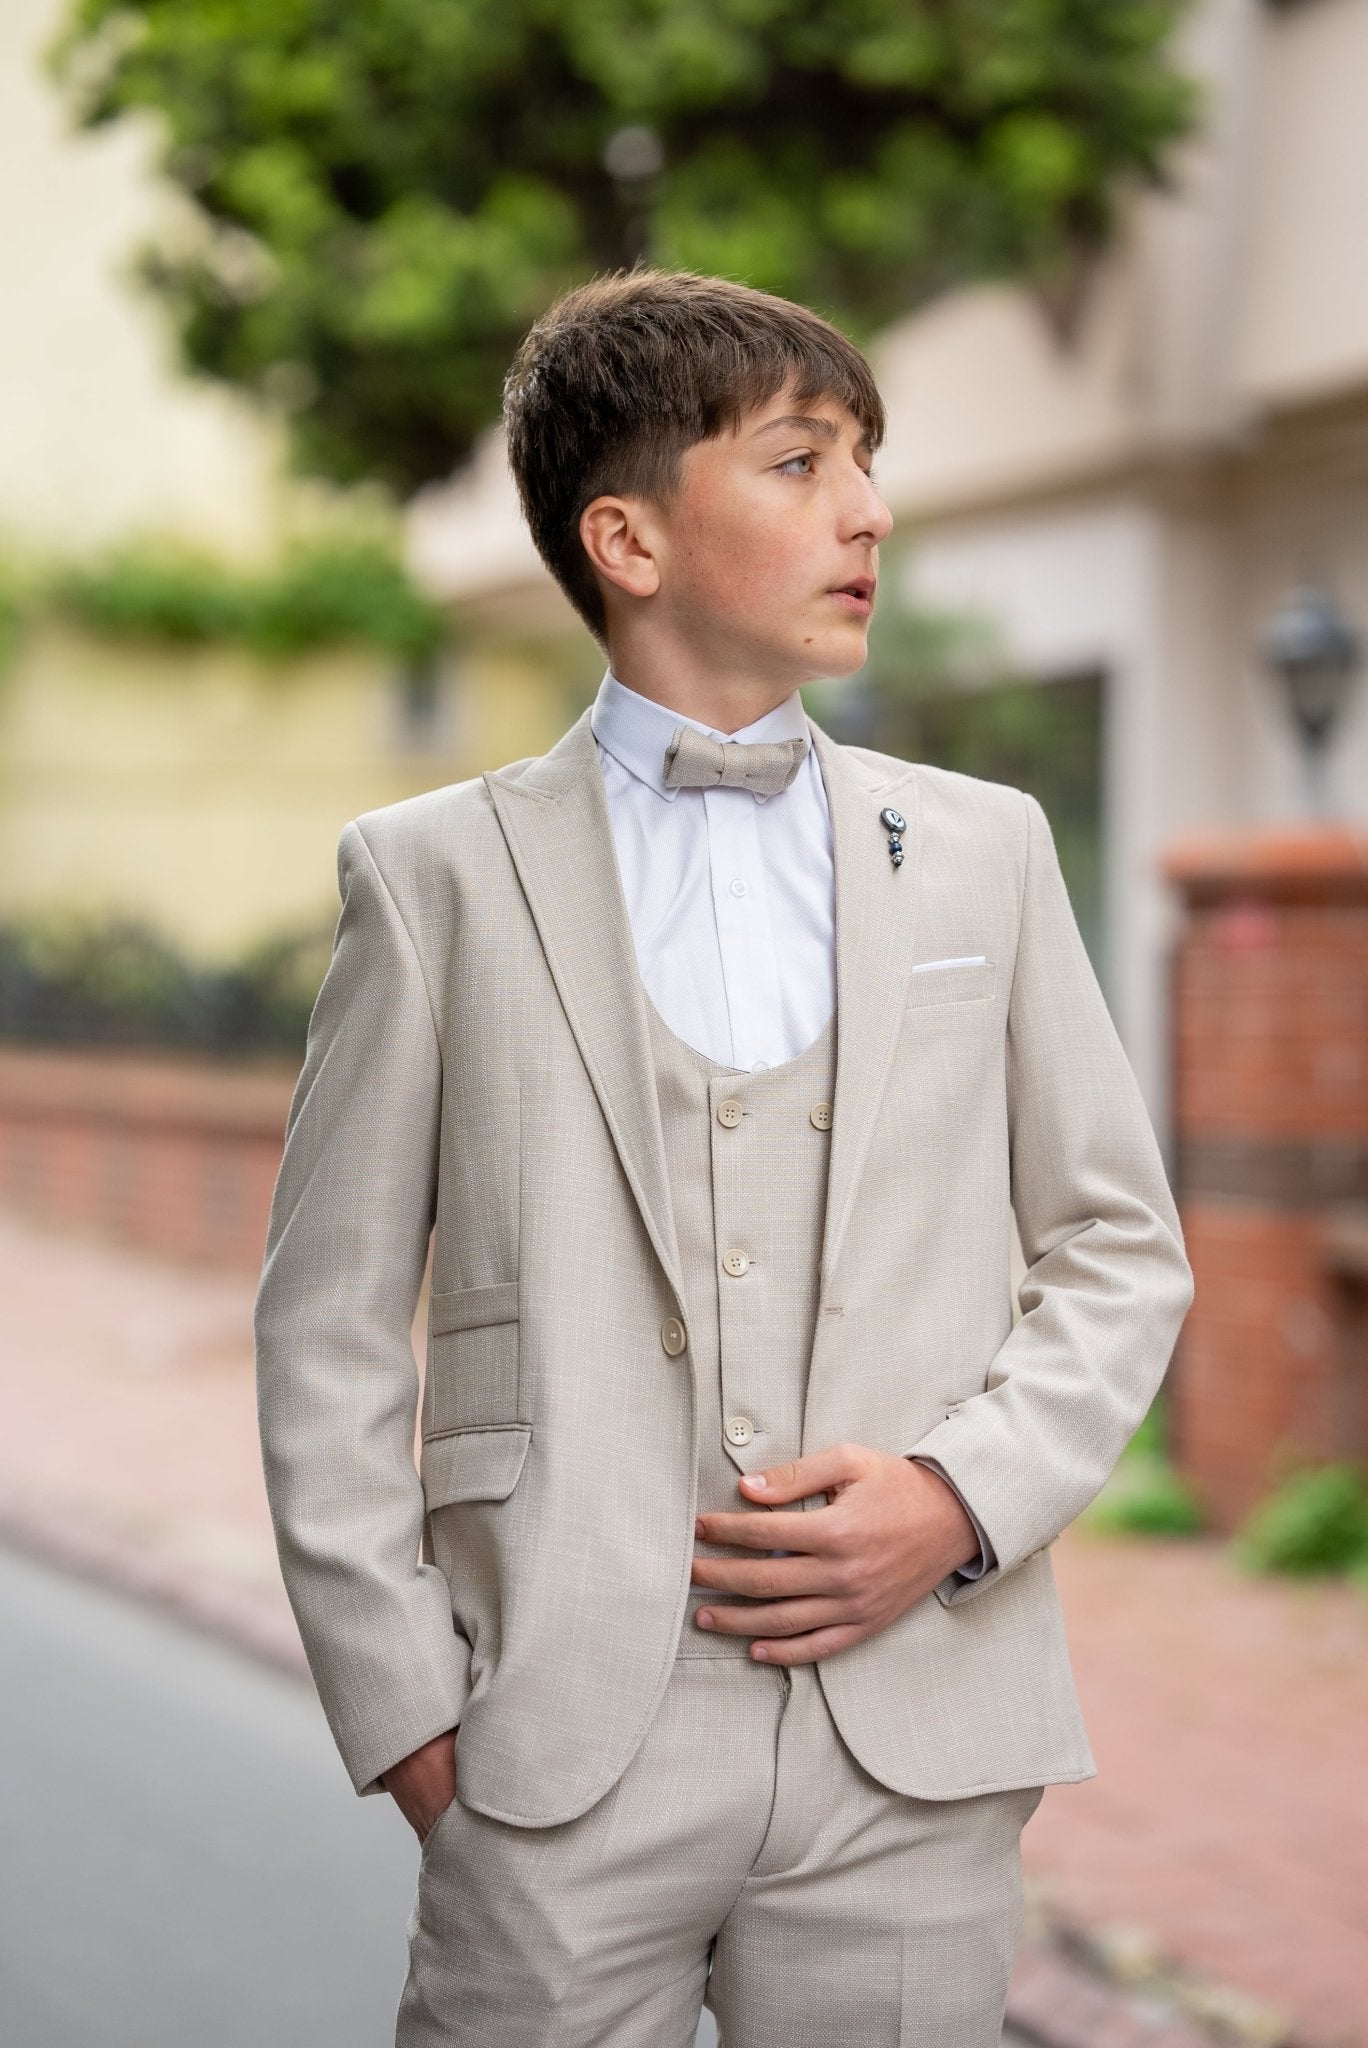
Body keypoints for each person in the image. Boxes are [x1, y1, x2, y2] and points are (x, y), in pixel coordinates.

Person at [254, 267, 1194, 2047]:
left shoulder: (984, 850)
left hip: (913, 1742)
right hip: (556, 1752)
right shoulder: (433, 878)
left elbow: (1118, 1245)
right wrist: (411, 1717)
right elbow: (326, 1324)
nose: (870, 511)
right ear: (628, 539)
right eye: (800, 461)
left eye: (866, 462)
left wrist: (962, 1500)